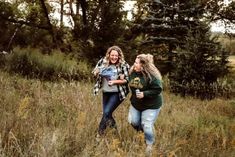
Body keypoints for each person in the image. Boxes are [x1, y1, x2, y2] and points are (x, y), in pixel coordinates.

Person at [128, 53, 163, 155]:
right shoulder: (132, 71)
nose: (134, 64)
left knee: (146, 125)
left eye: (136, 63)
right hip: (136, 104)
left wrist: (144, 94)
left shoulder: (152, 76)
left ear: (143, 66)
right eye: (135, 62)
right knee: (133, 122)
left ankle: (149, 144)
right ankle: (144, 132)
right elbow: (128, 79)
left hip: (151, 105)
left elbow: (158, 89)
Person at [92, 46, 130, 135]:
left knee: (106, 112)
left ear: (119, 56)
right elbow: (94, 72)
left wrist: (115, 82)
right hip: (106, 92)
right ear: (109, 55)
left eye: (116, 56)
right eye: (112, 55)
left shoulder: (123, 65)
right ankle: (116, 132)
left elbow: (127, 80)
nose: (114, 57)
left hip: (118, 93)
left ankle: (99, 134)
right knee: (107, 114)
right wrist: (96, 72)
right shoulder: (103, 61)